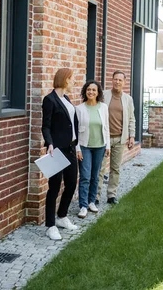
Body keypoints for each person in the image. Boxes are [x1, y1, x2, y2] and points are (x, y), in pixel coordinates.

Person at [41, 68, 81, 240]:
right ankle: (50, 225)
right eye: (72, 79)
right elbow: (46, 126)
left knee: (72, 184)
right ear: (65, 80)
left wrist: (77, 145)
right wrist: (49, 143)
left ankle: (62, 216)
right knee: (54, 187)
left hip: (71, 148)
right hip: (56, 150)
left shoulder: (66, 99)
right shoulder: (49, 100)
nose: (73, 82)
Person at [98, 70, 135, 205]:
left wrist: (131, 136)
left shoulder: (128, 99)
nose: (117, 82)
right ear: (112, 80)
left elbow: (131, 119)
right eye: (115, 79)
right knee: (100, 168)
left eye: (120, 80)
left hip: (120, 138)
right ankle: (96, 195)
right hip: (104, 138)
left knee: (115, 168)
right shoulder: (104, 95)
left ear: (124, 82)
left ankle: (111, 195)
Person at [75, 80, 111, 218]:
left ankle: (91, 202)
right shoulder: (79, 109)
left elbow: (106, 127)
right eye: (88, 89)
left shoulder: (103, 107)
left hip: (100, 146)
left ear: (98, 93)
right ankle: (83, 205)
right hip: (84, 146)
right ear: (85, 91)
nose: (91, 92)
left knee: (95, 176)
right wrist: (77, 148)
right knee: (85, 176)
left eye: (94, 90)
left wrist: (107, 145)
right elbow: (75, 131)